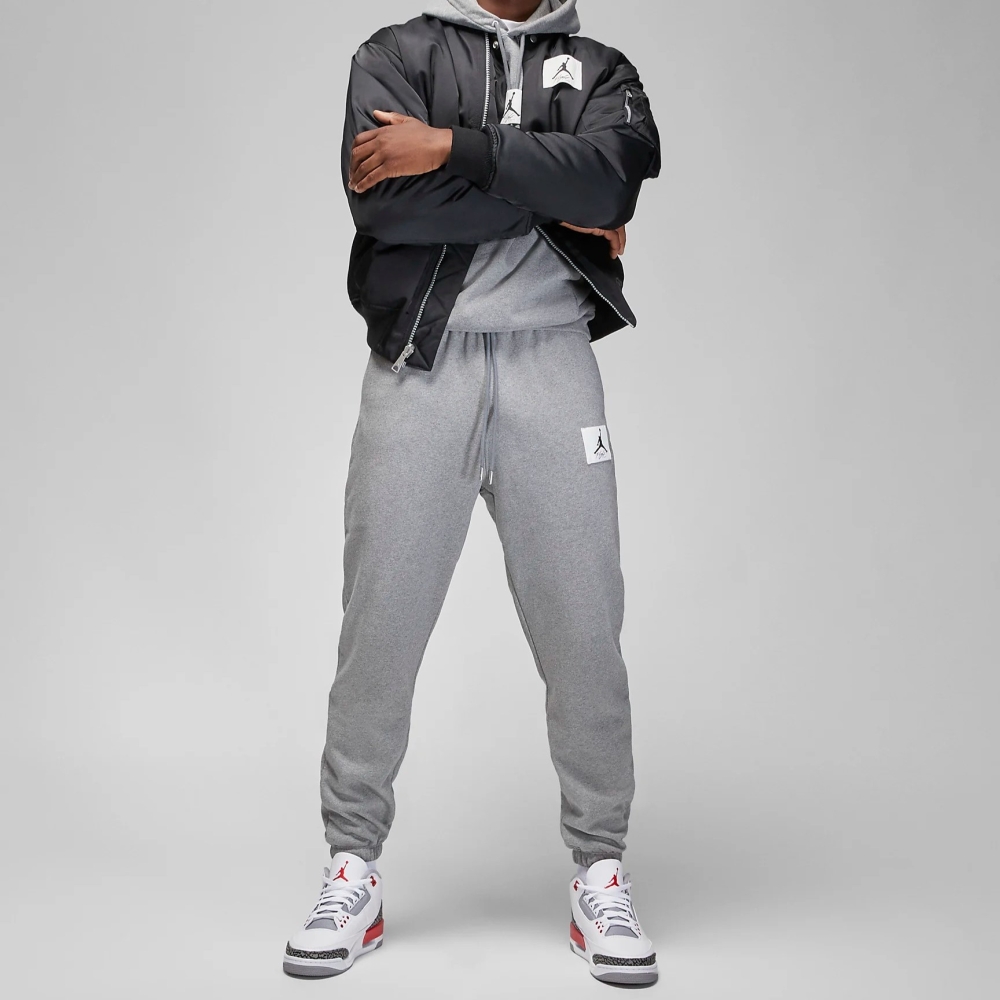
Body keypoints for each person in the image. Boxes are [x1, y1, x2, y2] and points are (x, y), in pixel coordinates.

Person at [283, 0, 661, 986]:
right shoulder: (395, 56)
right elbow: (388, 209)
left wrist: (451, 149)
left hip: (554, 365)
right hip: (421, 368)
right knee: (381, 623)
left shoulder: (600, 66)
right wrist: (551, 187)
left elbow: (614, 177)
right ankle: (352, 867)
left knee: (584, 623)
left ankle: (601, 868)